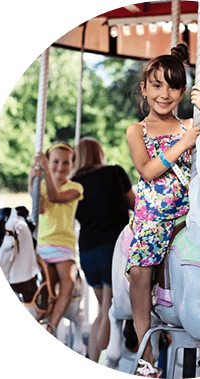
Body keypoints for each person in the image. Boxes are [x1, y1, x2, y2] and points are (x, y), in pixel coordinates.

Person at [126, 43, 200, 378]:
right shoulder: (139, 130)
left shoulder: (192, 124)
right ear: (145, 88)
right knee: (140, 275)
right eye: (157, 85)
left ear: (182, 92)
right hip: (153, 218)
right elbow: (146, 170)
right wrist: (184, 142)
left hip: (189, 215)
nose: (165, 93)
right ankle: (147, 354)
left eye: (174, 86)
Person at [71, 137, 135, 363]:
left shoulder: (74, 184)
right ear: (100, 153)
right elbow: (134, 204)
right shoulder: (115, 173)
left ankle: (93, 355)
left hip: (87, 253)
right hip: (112, 249)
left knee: (102, 309)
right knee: (108, 311)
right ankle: (98, 359)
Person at [28, 141, 84, 335]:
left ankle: (52, 326)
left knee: (68, 282)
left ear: (72, 165)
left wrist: (45, 170)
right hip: (43, 244)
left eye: (66, 163)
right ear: (49, 161)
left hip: (63, 247)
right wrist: (32, 179)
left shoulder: (76, 187)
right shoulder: (42, 185)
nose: (61, 167)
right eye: (56, 161)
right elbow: (41, 207)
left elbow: (56, 197)